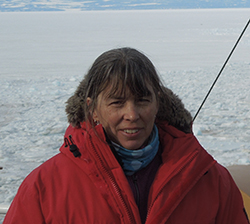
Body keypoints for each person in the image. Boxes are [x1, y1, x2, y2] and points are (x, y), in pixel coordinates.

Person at [3, 47, 249, 224]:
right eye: (117, 103)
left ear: (157, 103)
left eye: (142, 101)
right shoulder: (45, 188)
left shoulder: (209, 180)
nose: (131, 115)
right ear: (93, 109)